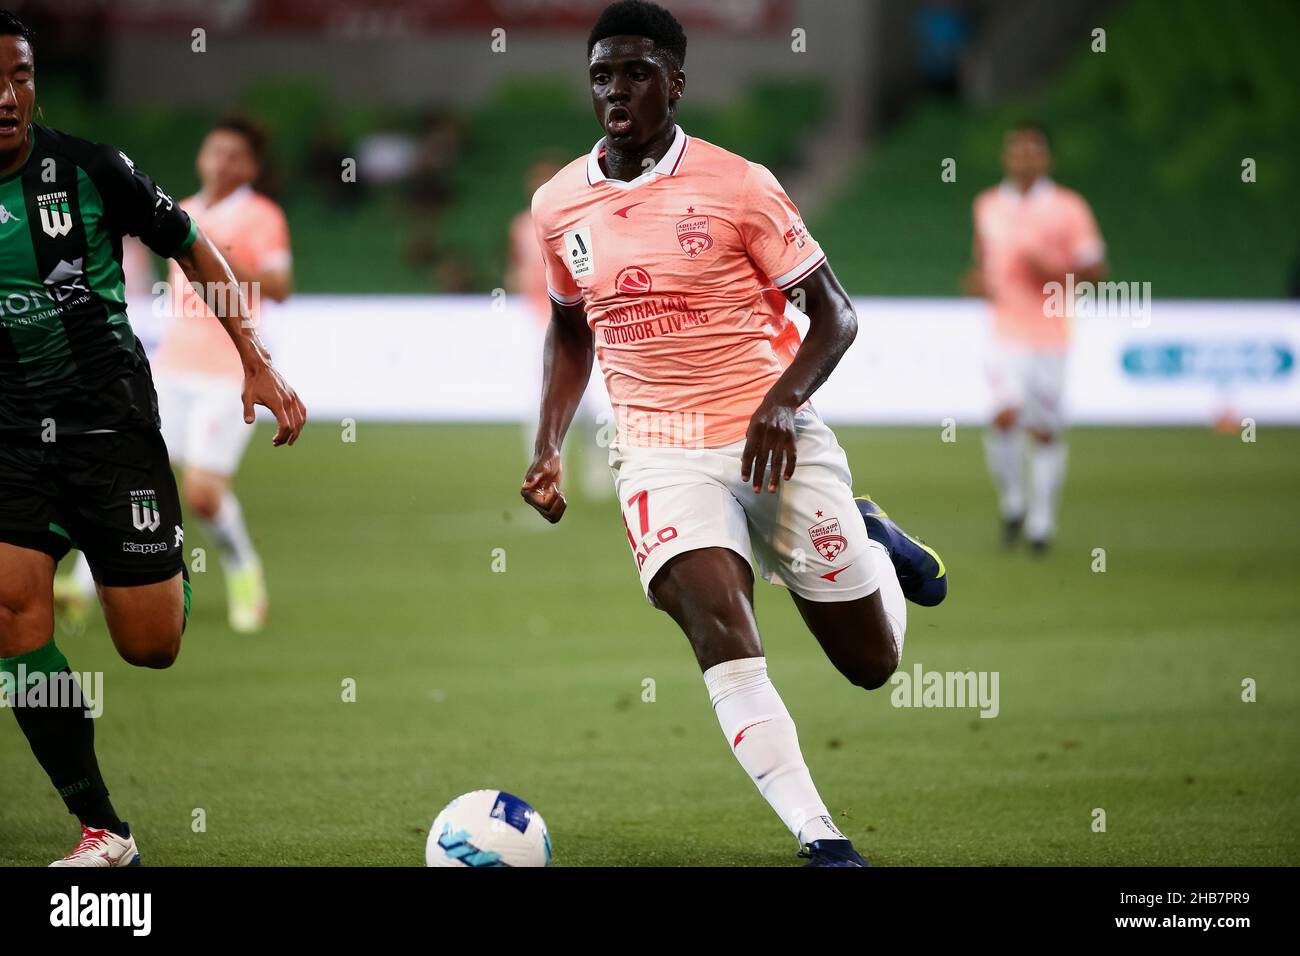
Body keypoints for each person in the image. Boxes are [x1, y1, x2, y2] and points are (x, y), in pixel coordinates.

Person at [521, 0, 946, 867]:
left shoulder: (741, 185)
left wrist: (784, 404)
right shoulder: (559, 203)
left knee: (871, 664)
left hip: (771, 435)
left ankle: (870, 535)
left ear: (676, 84)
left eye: (637, 73)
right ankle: (820, 837)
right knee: (718, 624)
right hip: (655, 448)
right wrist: (548, 442)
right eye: (603, 74)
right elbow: (572, 328)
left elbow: (835, 316)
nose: (616, 90)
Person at [0, 11, 306, 866]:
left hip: (110, 428)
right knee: (12, 613)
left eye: (20, 75)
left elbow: (192, 245)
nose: (6, 96)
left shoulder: (90, 170)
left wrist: (255, 357)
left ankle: (162, 572)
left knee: (150, 646)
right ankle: (103, 828)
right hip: (13, 435)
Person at [965, 122, 1107, 552]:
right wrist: (979, 284)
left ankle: (1041, 525)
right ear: (1006, 157)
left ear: (1047, 158)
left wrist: (1052, 274)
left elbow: (1096, 272)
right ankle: (1013, 502)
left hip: (1050, 333)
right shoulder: (987, 205)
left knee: (1044, 431)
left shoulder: (1069, 207)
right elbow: (985, 265)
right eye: (1016, 150)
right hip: (1004, 333)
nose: (1024, 158)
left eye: (1032, 150)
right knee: (1004, 416)